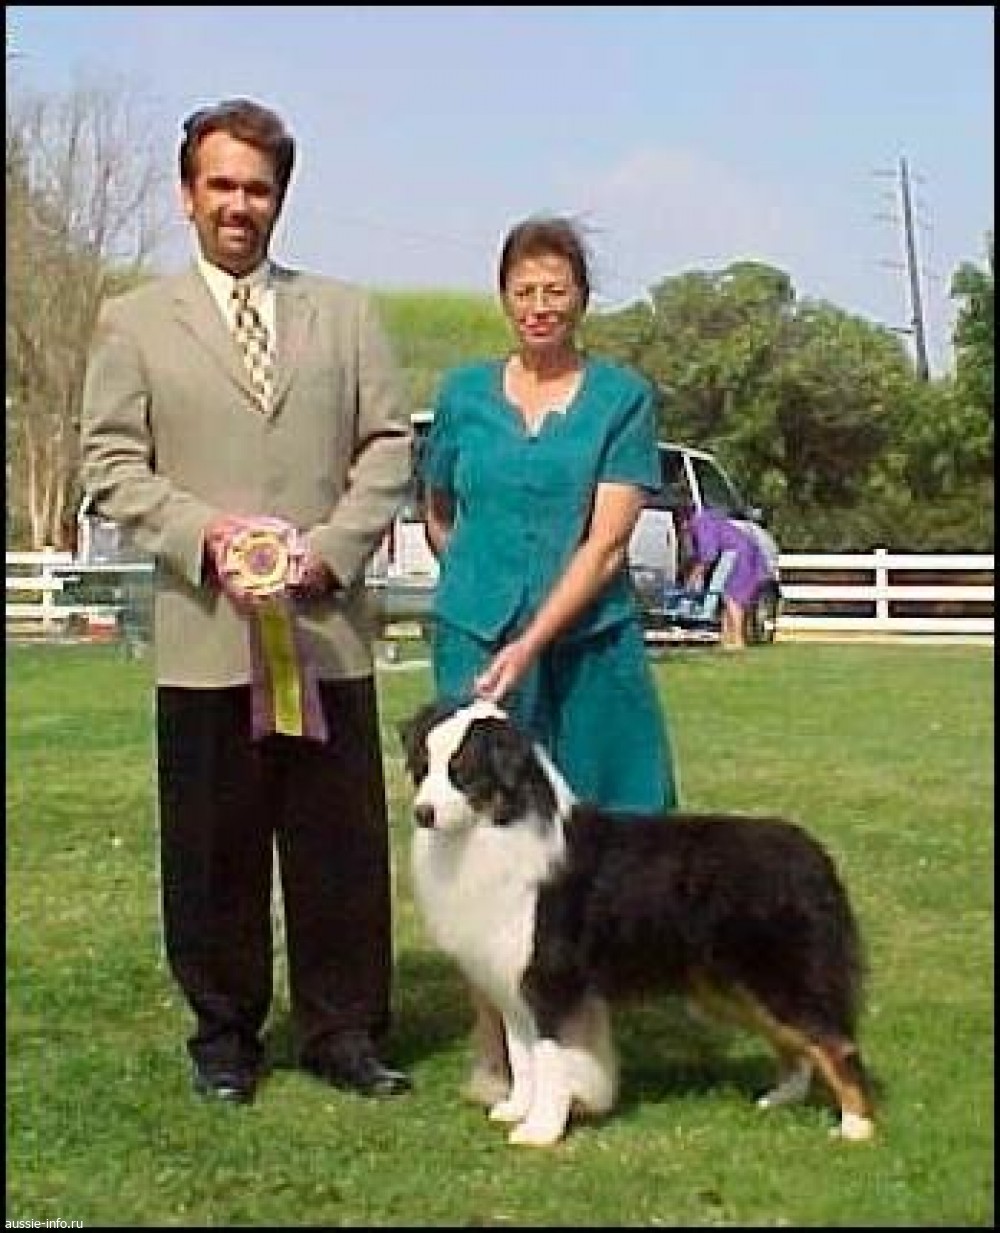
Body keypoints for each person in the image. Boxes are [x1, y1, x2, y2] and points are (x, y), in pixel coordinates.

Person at [79, 98, 414, 1105]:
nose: (239, 205)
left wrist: (331, 552)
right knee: (212, 853)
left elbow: (387, 447)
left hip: (326, 639)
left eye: (257, 188)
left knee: (338, 851)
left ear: (280, 198)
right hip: (205, 641)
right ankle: (226, 1035)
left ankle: (343, 1030)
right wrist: (209, 537)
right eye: (220, 185)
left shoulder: (345, 315)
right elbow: (111, 464)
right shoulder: (133, 322)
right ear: (188, 195)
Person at [419, 214, 679, 1100]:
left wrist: (533, 636)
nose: (539, 306)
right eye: (523, 290)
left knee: (603, 839)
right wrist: (481, 594)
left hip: (588, 646)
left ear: (582, 299)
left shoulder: (621, 398)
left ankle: (583, 1033)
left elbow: (607, 543)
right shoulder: (463, 395)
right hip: (475, 644)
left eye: (555, 290)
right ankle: (495, 1042)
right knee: (476, 841)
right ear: (503, 297)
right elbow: (439, 510)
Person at [680, 505, 775, 650]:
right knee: (727, 597)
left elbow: (708, 556)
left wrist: (691, 581)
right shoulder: (709, 519)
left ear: (684, 520)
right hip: (745, 554)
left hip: (739, 556)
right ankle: (726, 640)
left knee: (733, 599)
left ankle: (737, 640)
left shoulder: (701, 524)